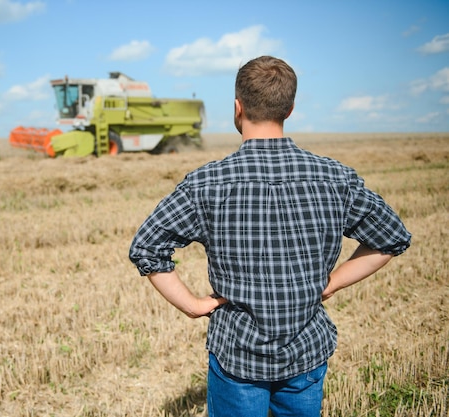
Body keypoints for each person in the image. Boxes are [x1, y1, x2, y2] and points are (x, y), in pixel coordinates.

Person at [128, 55, 411, 417]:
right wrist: (331, 283)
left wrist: (192, 305)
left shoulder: (207, 183)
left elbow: (147, 247)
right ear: (289, 109)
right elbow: (391, 238)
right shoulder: (335, 178)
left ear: (237, 108)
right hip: (305, 353)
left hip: (237, 356)